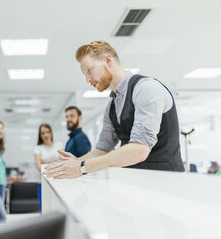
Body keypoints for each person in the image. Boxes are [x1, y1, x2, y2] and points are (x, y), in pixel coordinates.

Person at [45, 40, 185, 179]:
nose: (88, 79)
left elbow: (139, 150)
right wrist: (75, 163)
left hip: (166, 184)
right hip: (135, 183)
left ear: (108, 60)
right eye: (85, 75)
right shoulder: (111, 106)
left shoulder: (146, 88)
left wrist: (82, 167)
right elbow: (102, 150)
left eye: (89, 70)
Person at [34, 124, 63, 210]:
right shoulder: (38, 148)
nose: (46, 135)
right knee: (44, 208)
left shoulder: (59, 145)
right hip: (43, 182)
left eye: (48, 132)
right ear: (40, 135)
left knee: (58, 208)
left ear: (51, 133)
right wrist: (56, 165)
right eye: (43, 133)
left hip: (59, 182)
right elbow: (39, 167)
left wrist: (45, 165)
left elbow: (63, 163)